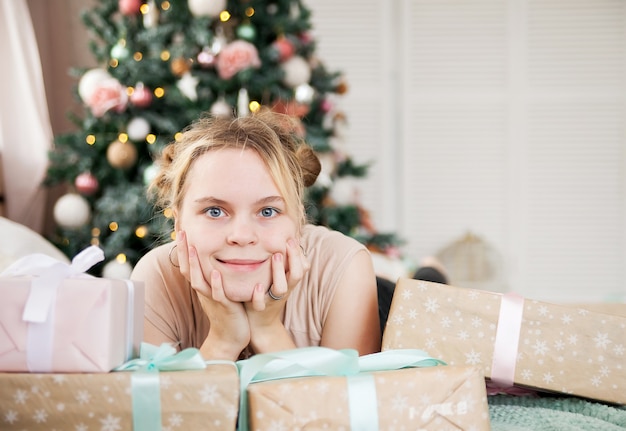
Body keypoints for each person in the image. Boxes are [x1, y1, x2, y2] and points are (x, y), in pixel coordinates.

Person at [131, 110, 381, 361]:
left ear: (299, 222)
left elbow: (343, 401)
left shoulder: (344, 266)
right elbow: (166, 402)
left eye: (268, 211)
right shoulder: (156, 277)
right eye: (215, 211)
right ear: (178, 223)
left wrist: (267, 331)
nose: (242, 236)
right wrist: (223, 340)